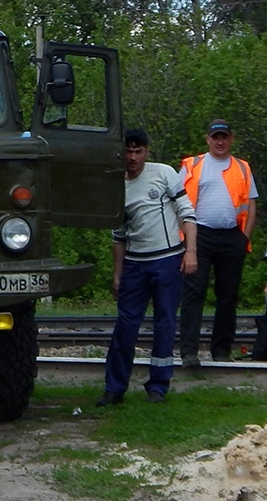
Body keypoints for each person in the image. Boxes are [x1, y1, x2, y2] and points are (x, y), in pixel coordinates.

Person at [97, 128, 198, 406]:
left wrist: (191, 252)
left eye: (138, 151)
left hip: (167, 260)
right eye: (128, 151)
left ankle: (158, 385)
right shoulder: (117, 185)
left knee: (165, 323)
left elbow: (187, 214)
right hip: (135, 264)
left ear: (146, 152)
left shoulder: (164, 173)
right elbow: (118, 236)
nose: (133, 157)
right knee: (126, 326)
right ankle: (114, 388)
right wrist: (117, 274)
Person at [177, 119, 259, 367]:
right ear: (208, 140)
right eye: (216, 137)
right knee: (193, 292)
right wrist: (186, 241)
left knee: (228, 296)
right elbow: (177, 202)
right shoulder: (193, 165)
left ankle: (221, 350)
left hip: (231, 237)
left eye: (224, 137)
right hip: (199, 236)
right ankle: (189, 352)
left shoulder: (243, 168)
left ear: (231, 139)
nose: (220, 142)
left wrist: (244, 236)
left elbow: (252, 204)